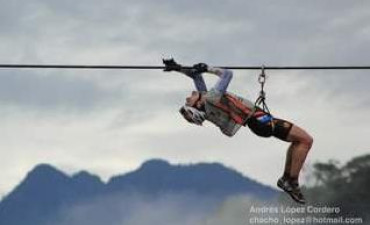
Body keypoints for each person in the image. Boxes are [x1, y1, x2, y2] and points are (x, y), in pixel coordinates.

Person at [163, 58, 313, 204]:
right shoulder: (211, 98)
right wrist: (208, 68)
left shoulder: (206, 101)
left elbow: (196, 75)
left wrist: (177, 67)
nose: (188, 96)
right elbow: (227, 74)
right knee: (305, 140)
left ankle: (287, 179)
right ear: (198, 105)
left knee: (297, 141)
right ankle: (291, 181)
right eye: (189, 100)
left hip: (258, 123)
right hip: (260, 122)